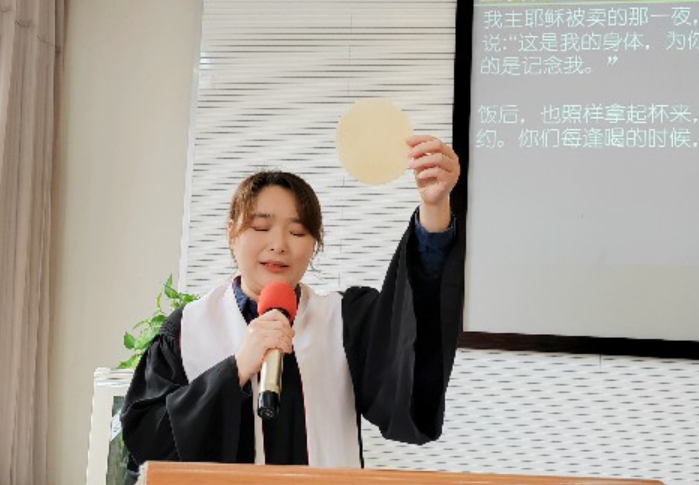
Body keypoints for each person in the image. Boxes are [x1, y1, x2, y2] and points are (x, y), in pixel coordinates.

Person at [120, 134, 464, 478]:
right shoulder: (187, 330)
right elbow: (149, 445)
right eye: (260, 226)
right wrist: (235, 370)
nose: (279, 245)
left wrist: (434, 208)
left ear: (314, 244)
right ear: (231, 233)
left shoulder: (344, 321)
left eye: (298, 232)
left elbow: (409, 358)